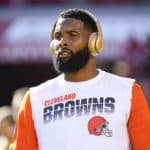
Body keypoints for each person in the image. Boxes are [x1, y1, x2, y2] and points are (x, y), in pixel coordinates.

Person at [9, 8, 150, 150]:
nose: (62, 42)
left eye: (72, 35)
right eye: (58, 36)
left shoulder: (128, 91)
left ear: (94, 42)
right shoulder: (34, 98)